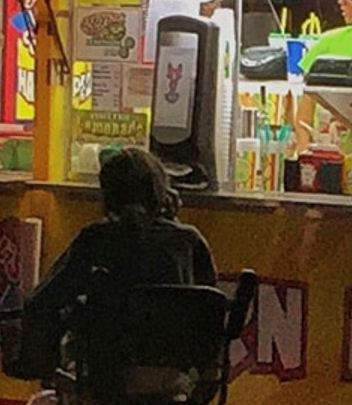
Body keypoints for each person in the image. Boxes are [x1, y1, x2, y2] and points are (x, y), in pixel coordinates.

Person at [17, 142, 218, 362]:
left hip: (105, 373)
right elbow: (207, 307)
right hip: (176, 371)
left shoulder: (96, 239)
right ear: (160, 190)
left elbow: (45, 300)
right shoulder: (189, 241)